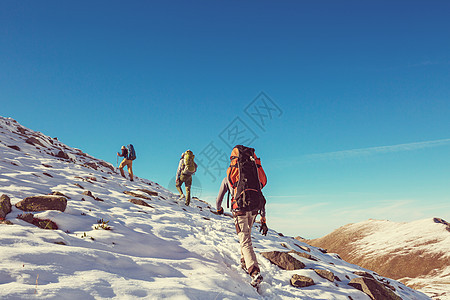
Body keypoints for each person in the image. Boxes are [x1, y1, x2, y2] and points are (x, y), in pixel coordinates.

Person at [222, 145, 268, 288]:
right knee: (247, 236)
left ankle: (254, 272)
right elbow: (263, 183)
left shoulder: (231, 171)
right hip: (254, 208)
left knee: (245, 240)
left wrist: (218, 208)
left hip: (239, 208)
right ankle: (244, 261)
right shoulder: (254, 169)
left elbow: (224, 192)